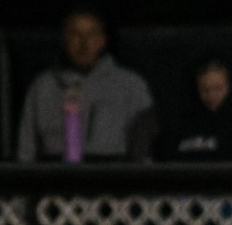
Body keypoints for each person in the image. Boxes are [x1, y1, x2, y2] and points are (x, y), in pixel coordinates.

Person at [16, 10, 156, 162]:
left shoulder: (131, 85)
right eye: (76, 35)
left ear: (102, 40)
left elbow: (143, 150)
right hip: (55, 175)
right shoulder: (42, 86)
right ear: (64, 39)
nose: (84, 43)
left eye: (92, 35)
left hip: (112, 174)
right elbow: (26, 150)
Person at [161, 57, 232, 161]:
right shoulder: (182, 125)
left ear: (228, 87)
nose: (211, 95)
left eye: (217, 88)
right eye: (205, 89)